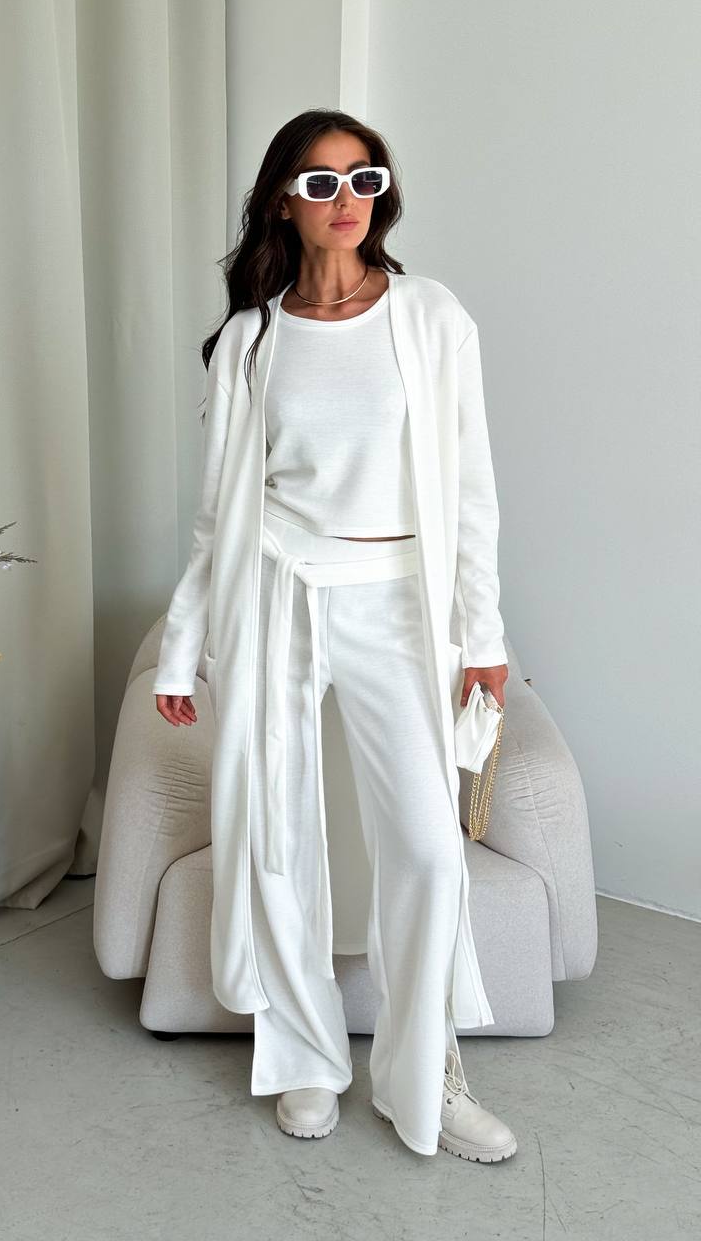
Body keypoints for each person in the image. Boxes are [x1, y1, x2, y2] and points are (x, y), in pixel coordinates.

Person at [153, 108, 517, 1162]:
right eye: (320, 182)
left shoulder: (432, 317)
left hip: (398, 600)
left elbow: (473, 489)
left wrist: (483, 633)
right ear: (283, 201)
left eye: (364, 178)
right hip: (275, 594)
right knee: (274, 832)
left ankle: (426, 1075)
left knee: (427, 850)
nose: (346, 198)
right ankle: (304, 1057)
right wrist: (181, 646)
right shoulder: (252, 341)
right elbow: (218, 515)